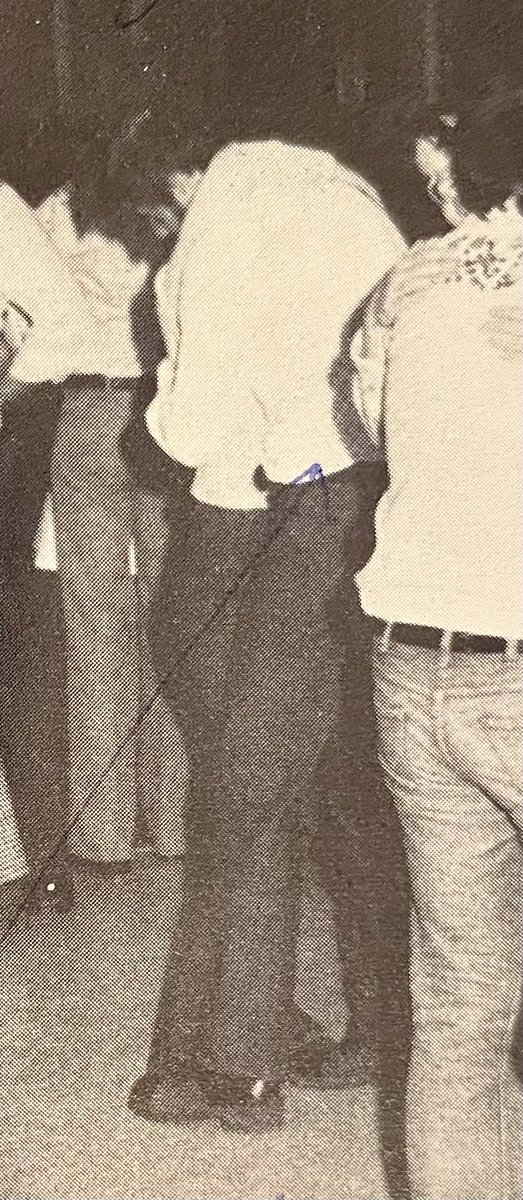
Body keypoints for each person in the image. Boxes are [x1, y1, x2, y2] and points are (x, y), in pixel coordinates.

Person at [118, 121, 407, 1131]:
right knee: (313, 789)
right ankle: (358, 1027)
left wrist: (160, 384)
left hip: (272, 519)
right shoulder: (345, 192)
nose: (162, 234)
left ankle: (231, 1061)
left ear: (181, 178)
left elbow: (188, 431)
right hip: (351, 509)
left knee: (246, 789)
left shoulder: (226, 211)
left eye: (161, 215)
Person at [350, 86, 523, 1199]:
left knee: (459, 1002)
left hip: (413, 666)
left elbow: (370, 430)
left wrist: (376, 323)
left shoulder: (410, 285)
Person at [9, 132, 189, 875]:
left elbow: (30, 325)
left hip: (84, 413)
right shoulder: (171, 214)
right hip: (163, 411)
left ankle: (104, 835)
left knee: (93, 629)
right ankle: (176, 825)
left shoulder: (55, 211)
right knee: (170, 618)